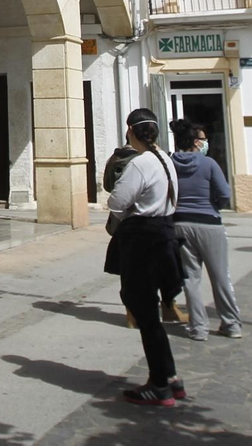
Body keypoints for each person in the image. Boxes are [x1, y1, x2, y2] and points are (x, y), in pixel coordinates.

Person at [105, 108, 185, 406]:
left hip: (143, 240)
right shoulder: (165, 158)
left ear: (131, 131)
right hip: (164, 234)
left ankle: (160, 384)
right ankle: (170, 376)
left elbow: (117, 201)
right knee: (152, 314)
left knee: (146, 314)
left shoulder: (140, 164)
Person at [170, 121, 243, 341]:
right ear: (195, 142)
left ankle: (198, 328)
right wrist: (214, 206)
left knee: (190, 279)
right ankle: (231, 324)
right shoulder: (209, 163)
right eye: (202, 139)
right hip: (209, 224)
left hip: (180, 224)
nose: (205, 143)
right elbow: (224, 193)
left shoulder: (171, 163)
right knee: (220, 276)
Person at [104, 137, 187, 328]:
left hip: (125, 221)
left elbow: (109, 187)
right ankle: (167, 307)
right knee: (161, 267)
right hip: (145, 222)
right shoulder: (148, 161)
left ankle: (133, 313)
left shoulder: (115, 158)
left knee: (130, 269)